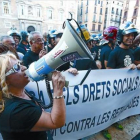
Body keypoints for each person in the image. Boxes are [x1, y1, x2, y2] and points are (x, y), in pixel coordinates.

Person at [0, 52, 66, 140]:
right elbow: (55, 122)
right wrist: (58, 90)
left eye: (20, 64)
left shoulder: (19, 91)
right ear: (5, 80)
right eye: (16, 67)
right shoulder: (16, 110)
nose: (24, 67)